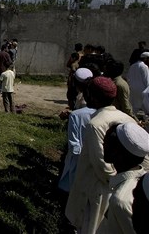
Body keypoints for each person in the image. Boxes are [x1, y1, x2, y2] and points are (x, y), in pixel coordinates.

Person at [65, 76, 137, 234]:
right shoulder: (127, 119)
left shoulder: (96, 124)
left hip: (97, 188)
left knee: (91, 227)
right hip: (120, 187)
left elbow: (101, 164)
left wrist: (114, 181)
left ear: (93, 97)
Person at [97, 122, 149, 233]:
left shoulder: (121, 201)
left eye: (107, 141)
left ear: (117, 152)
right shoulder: (140, 181)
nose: (103, 144)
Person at [58, 69, 96, 193]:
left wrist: (71, 114)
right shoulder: (85, 95)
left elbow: (82, 115)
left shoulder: (85, 100)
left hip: (80, 147)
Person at [127, 51, 149, 118]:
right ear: (145, 59)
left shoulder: (132, 66)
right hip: (143, 91)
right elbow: (147, 81)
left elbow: (129, 78)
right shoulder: (144, 66)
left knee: (134, 109)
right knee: (147, 110)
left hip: (133, 91)